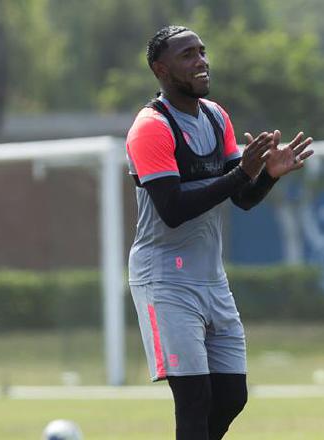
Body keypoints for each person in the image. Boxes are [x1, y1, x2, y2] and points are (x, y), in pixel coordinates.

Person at [125, 25, 314, 440]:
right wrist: (242, 173)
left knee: (231, 395)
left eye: (202, 51)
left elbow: (242, 198)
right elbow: (173, 209)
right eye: (187, 55)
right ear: (160, 69)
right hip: (165, 279)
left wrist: (266, 176)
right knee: (194, 400)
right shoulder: (150, 128)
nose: (201, 61)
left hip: (211, 277)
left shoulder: (215, 116)